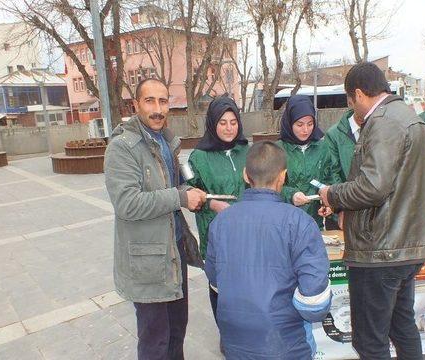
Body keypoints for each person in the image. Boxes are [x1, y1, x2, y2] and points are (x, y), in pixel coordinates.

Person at [318, 62, 425, 360]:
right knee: (402, 328)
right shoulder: (408, 116)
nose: (353, 111)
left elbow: (372, 187)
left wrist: (331, 194)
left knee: (370, 341)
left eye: (350, 102)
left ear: (358, 94)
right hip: (402, 246)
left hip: (381, 250)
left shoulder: (384, 122)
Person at [104, 78, 207, 360]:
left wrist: (190, 193)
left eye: (163, 101)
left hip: (173, 254)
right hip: (146, 261)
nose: (158, 109)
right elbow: (127, 204)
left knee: (176, 332)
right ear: (135, 105)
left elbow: (169, 187)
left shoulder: (165, 141)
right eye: (150, 101)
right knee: (155, 342)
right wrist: (179, 197)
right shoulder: (122, 147)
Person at [205, 141, 332, 360]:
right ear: (283, 176)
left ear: (246, 175)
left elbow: (216, 282)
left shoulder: (221, 221)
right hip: (286, 344)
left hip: (235, 342)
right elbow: (315, 304)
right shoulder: (300, 222)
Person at [186, 96, 249, 321]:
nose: (229, 128)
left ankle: (245, 327)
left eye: (233, 122)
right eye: (222, 122)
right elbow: (189, 193)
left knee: (245, 284)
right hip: (216, 233)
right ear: (213, 124)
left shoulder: (246, 150)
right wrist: (212, 204)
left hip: (246, 232)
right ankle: (226, 331)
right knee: (219, 286)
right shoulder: (198, 157)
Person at [277, 95, 339, 227]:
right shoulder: (278, 149)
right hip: (284, 222)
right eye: (299, 125)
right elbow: (269, 185)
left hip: (314, 223)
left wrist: (328, 203)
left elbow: (330, 179)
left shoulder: (323, 147)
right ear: (289, 122)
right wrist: (291, 195)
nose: (305, 130)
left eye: (310, 124)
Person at [324, 106, 362, 230]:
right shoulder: (334, 134)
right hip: (343, 207)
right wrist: (341, 207)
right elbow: (332, 173)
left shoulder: (377, 130)